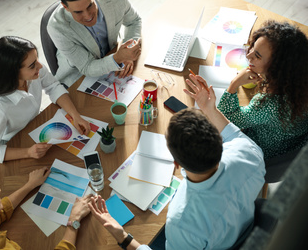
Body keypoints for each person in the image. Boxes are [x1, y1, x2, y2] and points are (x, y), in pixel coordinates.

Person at [88, 74, 265, 249]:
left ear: (176, 164)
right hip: (245, 229)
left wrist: (122, 236)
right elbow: (232, 135)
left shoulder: (182, 222)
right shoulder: (250, 153)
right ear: (219, 140)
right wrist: (210, 109)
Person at [0, 36, 90, 163]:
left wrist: (76, 116)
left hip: (36, 126)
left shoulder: (35, 71)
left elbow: (53, 86)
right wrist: (28, 152)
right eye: (32, 66)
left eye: (37, 59)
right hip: (16, 143)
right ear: (12, 72)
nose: (40, 65)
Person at [217, 20, 308, 160]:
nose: (248, 55)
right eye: (253, 47)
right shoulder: (298, 79)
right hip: (293, 143)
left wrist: (234, 85)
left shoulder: (270, 105)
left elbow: (226, 120)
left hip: (262, 153)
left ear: (277, 67)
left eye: (257, 56)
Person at [48, 0, 142, 87]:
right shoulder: (57, 27)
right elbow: (87, 67)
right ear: (65, 7)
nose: (87, 16)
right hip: (78, 77)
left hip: (111, 61)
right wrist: (118, 58)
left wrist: (128, 51)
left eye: (90, 6)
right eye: (78, 12)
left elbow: (134, 21)